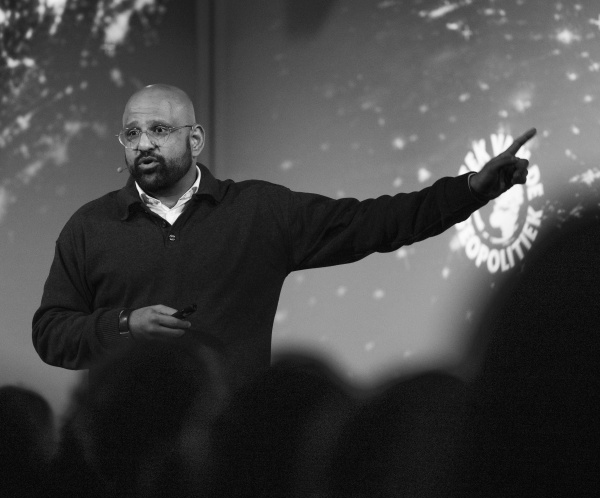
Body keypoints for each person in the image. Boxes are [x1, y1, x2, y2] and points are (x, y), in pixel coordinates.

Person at [32, 83, 536, 392]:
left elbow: (374, 222)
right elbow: (51, 333)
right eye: (132, 134)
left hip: (231, 459)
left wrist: (470, 190)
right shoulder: (89, 226)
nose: (143, 144)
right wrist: (124, 326)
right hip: (122, 467)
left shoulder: (258, 210)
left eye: (159, 130)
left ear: (195, 139)